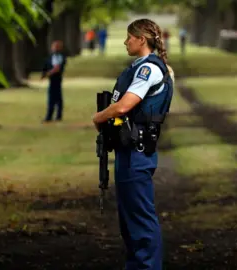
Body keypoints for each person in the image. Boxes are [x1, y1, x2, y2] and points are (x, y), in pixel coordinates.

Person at [92, 18, 175, 270]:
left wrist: (99, 116)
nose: (126, 41)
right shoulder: (142, 66)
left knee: (140, 220)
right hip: (129, 151)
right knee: (129, 222)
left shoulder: (148, 69)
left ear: (141, 39)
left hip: (136, 153)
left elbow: (126, 104)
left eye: (129, 36)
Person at [42, 40, 66, 122]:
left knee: (57, 99)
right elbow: (46, 67)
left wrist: (50, 72)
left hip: (57, 80)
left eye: (56, 47)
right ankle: (51, 116)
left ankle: (56, 116)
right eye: (54, 47)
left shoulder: (61, 57)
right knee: (52, 99)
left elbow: (58, 68)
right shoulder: (50, 57)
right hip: (51, 80)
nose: (54, 48)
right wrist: (45, 74)